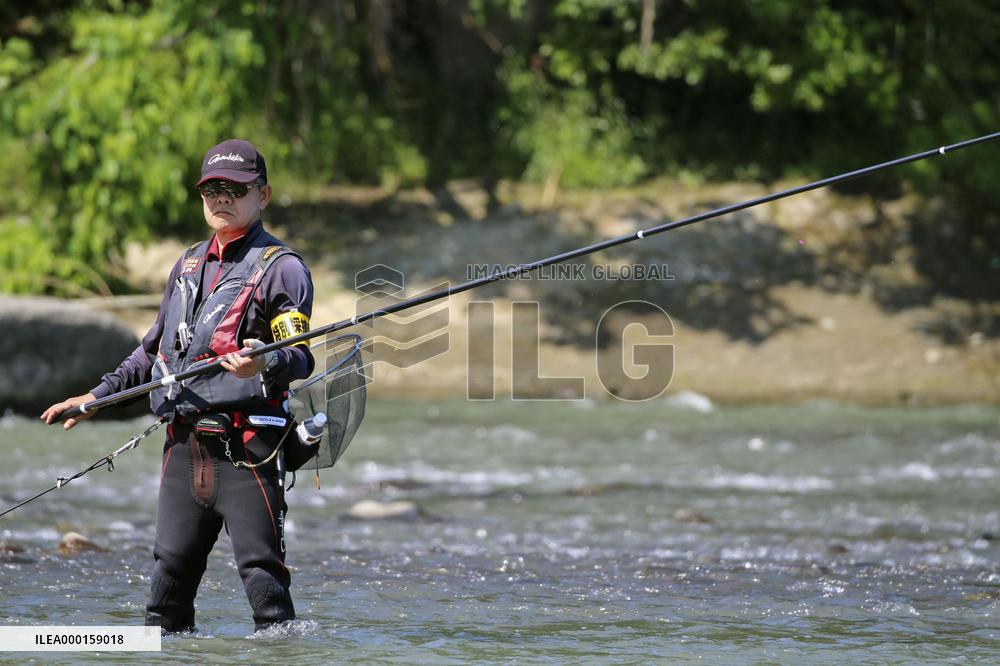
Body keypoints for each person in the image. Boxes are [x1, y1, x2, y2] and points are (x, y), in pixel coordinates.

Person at [41, 139, 315, 633]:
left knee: (266, 592)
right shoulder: (187, 264)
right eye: (211, 188)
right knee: (165, 598)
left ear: (264, 194)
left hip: (247, 450)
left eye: (234, 188)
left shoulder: (283, 269)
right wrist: (96, 398)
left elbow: (299, 356)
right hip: (184, 448)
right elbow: (151, 352)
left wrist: (264, 363)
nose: (220, 198)